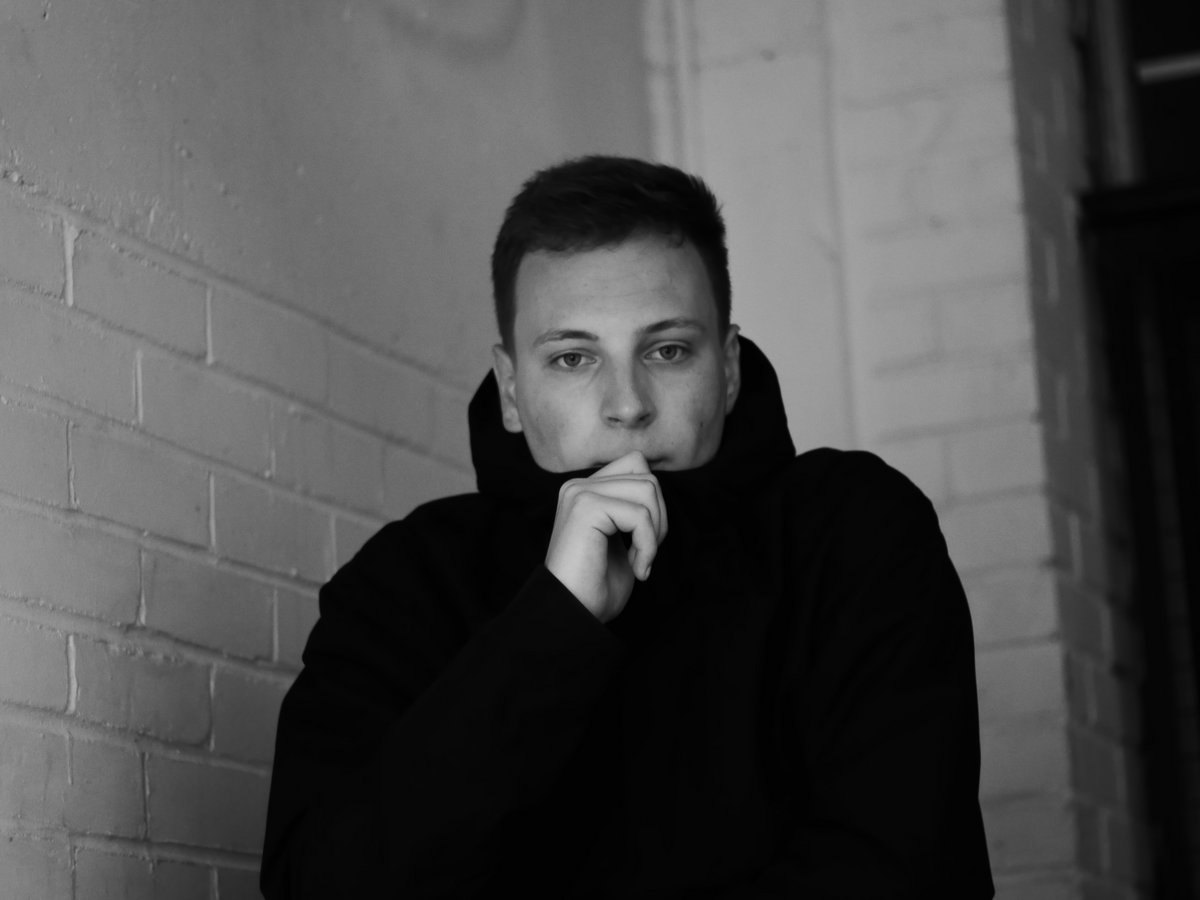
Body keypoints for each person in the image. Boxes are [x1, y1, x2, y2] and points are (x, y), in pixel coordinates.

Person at [261, 155, 995, 898]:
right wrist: (552, 623)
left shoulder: (851, 531)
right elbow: (322, 885)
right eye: (573, 358)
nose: (627, 405)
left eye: (667, 350)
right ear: (511, 389)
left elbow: (908, 866)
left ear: (728, 369)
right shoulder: (407, 581)